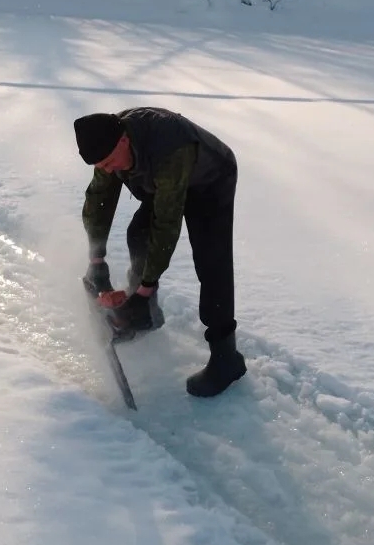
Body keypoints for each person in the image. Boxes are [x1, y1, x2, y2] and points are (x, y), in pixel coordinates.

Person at [74, 107, 247, 398]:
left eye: (109, 162)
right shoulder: (107, 143)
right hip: (164, 181)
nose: (108, 169)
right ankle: (144, 316)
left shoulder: (170, 149)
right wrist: (96, 259)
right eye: (101, 166)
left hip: (209, 180)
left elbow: (166, 224)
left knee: (211, 263)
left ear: (124, 141)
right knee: (138, 235)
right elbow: (98, 201)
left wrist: (146, 287)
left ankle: (226, 357)